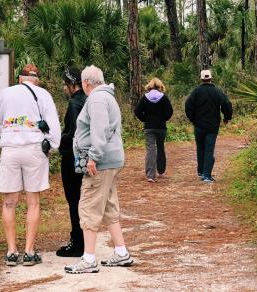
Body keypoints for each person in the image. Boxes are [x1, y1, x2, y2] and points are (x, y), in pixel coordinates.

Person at [0, 63, 61, 266]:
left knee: (9, 202)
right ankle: (28, 251)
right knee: (33, 202)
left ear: (20, 78)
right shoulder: (43, 95)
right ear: (36, 80)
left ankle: (11, 252)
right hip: (34, 150)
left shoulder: (7, 93)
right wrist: (51, 146)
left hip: (10, 150)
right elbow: (54, 127)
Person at [64, 65, 134, 274]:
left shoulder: (95, 99)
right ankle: (121, 252)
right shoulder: (108, 96)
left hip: (100, 163)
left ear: (86, 83)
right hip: (112, 160)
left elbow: (100, 129)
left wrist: (93, 157)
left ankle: (89, 259)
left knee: (88, 207)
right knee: (109, 207)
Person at [56, 66, 87, 257]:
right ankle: (80, 239)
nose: (64, 87)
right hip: (82, 156)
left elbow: (74, 133)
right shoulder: (87, 99)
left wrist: (58, 141)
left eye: (65, 83)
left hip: (71, 157)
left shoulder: (75, 103)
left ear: (72, 84)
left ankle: (77, 243)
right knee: (80, 200)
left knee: (73, 199)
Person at [184, 69, 233, 184]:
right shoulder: (217, 91)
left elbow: (188, 105)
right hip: (212, 126)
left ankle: (201, 172)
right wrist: (227, 117)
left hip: (199, 126)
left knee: (200, 148)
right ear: (211, 78)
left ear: (201, 79)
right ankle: (207, 176)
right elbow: (227, 104)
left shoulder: (196, 92)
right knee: (209, 150)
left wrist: (192, 119)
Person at [134, 78, 174, 183]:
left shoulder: (144, 98)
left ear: (149, 86)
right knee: (160, 147)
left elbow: (137, 111)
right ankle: (160, 170)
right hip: (161, 127)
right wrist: (163, 119)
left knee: (151, 150)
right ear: (160, 86)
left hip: (149, 127)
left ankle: (150, 175)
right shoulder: (164, 98)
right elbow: (170, 111)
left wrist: (145, 119)